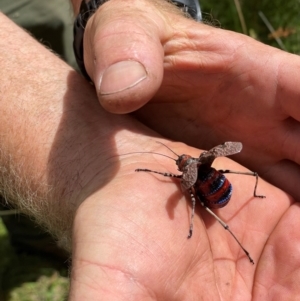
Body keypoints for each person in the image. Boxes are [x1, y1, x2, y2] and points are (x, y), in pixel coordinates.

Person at [0, 1, 300, 300]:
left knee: (205, 205)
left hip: (217, 193)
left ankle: (37, 244)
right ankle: (36, 245)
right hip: (219, 187)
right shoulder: (200, 163)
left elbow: (186, 188)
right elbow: (214, 160)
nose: (181, 165)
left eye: (182, 165)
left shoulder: (188, 174)